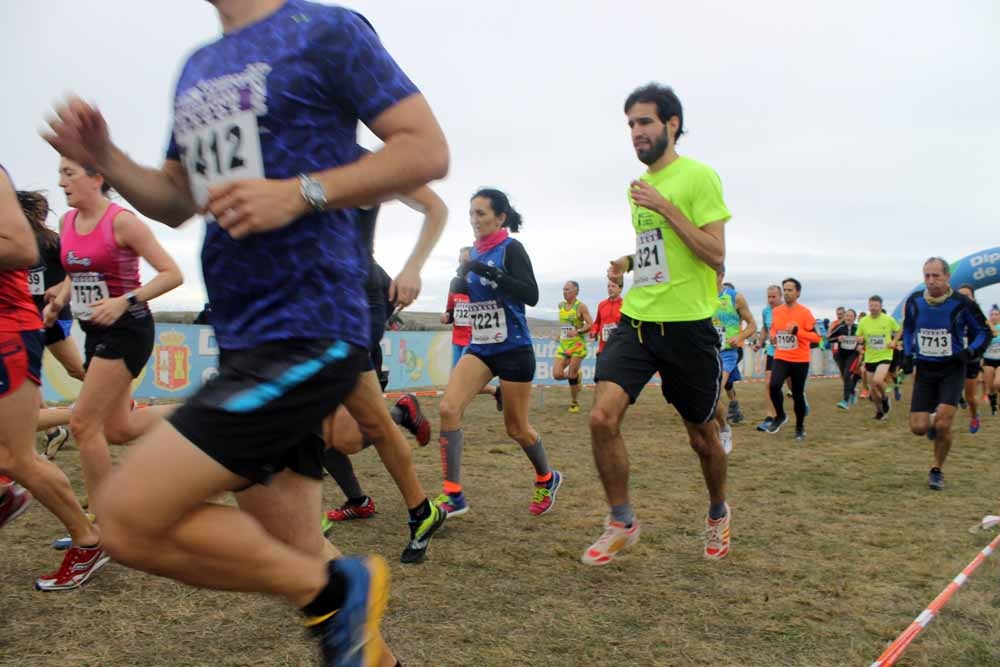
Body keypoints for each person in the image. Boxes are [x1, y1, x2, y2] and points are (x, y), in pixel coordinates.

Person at [42, 2, 449, 664]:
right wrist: (107, 157)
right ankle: (349, 620)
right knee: (293, 543)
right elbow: (177, 198)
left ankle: (335, 589)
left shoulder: (326, 29)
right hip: (244, 332)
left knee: (125, 519)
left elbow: (426, 151)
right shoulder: (198, 68)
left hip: (311, 325)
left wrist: (303, 192)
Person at [584, 83, 731, 566]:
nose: (635, 132)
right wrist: (628, 261)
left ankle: (717, 512)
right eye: (629, 124)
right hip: (639, 318)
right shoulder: (636, 189)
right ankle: (621, 521)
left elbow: (713, 253)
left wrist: (666, 206)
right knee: (602, 418)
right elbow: (660, 250)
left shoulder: (699, 177)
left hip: (688, 327)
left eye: (644, 121)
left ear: (671, 124)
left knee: (702, 439)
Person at [321, 183, 450, 567]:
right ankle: (420, 509)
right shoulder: (283, 156)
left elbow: (434, 206)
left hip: (353, 303)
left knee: (326, 428)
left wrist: (413, 266)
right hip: (311, 305)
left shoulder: (359, 165)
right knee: (342, 432)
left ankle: (305, 525)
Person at [0, 163, 103, 591]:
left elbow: (24, 251)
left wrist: (60, 298)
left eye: (70, 174)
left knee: (15, 457)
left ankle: (88, 539)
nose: (63, 184)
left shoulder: (55, 235)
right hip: (28, 323)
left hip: (12, 329)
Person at [436, 188, 561, 519]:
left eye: (481, 214)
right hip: (481, 347)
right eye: (471, 214)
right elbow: (476, 297)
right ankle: (453, 495)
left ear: (500, 217)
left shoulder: (511, 249)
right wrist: (460, 283)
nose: (474, 220)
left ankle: (547, 477)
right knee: (448, 408)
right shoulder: (474, 252)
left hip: (514, 348)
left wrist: (488, 272)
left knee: (517, 429)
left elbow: (530, 294)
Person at [901, 258, 989, 490]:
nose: (930, 281)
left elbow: (983, 331)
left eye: (935, 276)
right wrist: (908, 354)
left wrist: (970, 352)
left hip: (952, 368)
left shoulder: (961, 303)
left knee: (943, 424)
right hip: (926, 369)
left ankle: (936, 470)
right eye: (926, 276)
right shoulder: (915, 301)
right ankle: (930, 423)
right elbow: (908, 328)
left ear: (947, 277)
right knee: (918, 428)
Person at [17, 189, 83, 456]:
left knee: (76, 369)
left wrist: (59, 289)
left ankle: (120, 402)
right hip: (22, 319)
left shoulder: (52, 242)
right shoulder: (13, 242)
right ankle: (53, 430)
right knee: (26, 378)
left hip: (53, 316)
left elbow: (76, 270)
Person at [440, 246, 502, 409]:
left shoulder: (479, 283)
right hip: (457, 338)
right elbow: (451, 309)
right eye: (460, 261)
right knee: (456, 379)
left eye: (465, 260)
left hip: (474, 338)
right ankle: (495, 391)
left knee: (462, 380)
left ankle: (456, 409)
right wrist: (446, 316)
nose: (462, 264)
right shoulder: (455, 282)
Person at [764, 278, 819, 440]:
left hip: (800, 360)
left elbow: (817, 338)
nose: (787, 293)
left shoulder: (805, 313)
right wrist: (773, 337)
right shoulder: (777, 311)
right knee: (773, 386)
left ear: (798, 293)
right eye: (785, 290)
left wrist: (797, 332)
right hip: (781, 356)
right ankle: (780, 416)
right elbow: (774, 329)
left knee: (797, 394)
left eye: (790, 290)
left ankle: (800, 427)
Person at [711, 269, 756, 454]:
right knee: (704, 396)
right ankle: (720, 425)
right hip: (706, 351)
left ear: (721, 275)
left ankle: (723, 429)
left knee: (715, 390)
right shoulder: (698, 296)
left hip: (727, 352)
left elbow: (753, 324)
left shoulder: (735, 298)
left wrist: (740, 336)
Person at [855, 295, 900, 420]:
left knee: (878, 380)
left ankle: (885, 397)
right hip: (870, 357)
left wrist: (894, 341)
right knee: (872, 390)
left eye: (876, 306)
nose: (873, 308)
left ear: (881, 307)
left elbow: (899, 330)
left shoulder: (888, 319)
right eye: (871, 305)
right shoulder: (864, 321)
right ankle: (879, 411)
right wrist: (859, 341)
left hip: (885, 355)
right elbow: (858, 336)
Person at [552, 280, 593, 413]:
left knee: (571, 374)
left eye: (568, 289)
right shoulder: (561, 306)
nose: (565, 292)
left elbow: (591, 324)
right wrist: (561, 335)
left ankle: (574, 402)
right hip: (564, 345)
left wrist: (578, 331)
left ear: (576, 291)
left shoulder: (581, 307)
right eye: (563, 289)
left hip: (577, 345)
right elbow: (565, 325)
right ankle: (577, 376)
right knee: (557, 374)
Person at [956, 284, 985, 433]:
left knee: (970, 397)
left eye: (967, 295)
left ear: (973, 297)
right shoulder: (951, 313)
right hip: (954, 360)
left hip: (971, 360)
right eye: (960, 295)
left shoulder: (978, 315)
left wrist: (975, 352)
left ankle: (974, 415)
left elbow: (985, 336)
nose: (963, 298)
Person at [754, 285, 781, 430]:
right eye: (769, 297)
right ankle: (770, 417)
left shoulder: (787, 310)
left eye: (774, 297)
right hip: (772, 352)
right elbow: (765, 328)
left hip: (789, 354)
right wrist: (759, 342)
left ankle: (801, 399)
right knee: (768, 384)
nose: (771, 300)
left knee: (792, 385)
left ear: (780, 296)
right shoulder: (766, 312)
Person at [828, 308, 861, 409]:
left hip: (853, 355)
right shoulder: (840, 327)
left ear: (854, 318)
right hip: (841, 355)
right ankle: (853, 392)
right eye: (847, 316)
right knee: (844, 375)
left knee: (847, 375)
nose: (848, 318)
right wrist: (837, 338)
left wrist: (861, 344)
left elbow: (865, 339)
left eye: (850, 316)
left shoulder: (858, 328)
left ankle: (845, 401)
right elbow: (829, 339)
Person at [589, 275, 623, 356]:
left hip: (619, 347)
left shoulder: (625, 305)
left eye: (613, 286)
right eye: (608, 286)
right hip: (603, 347)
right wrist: (594, 331)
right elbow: (597, 322)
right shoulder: (602, 304)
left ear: (620, 289)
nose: (610, 289)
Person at [984, 305, 1000, 416]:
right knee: (990, 387)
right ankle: (993, 406)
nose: (994, 317)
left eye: (996, 314)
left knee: (998, 383)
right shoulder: (984, 328)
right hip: (988, 360)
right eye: (992, 314)